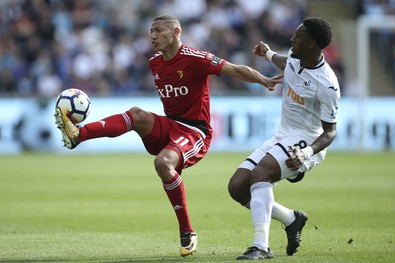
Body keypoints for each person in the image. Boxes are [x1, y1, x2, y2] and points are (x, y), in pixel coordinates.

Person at [54, 14, 282, 257]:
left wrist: (265, 80)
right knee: (136, 114)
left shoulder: (197, 58)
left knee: (162, 162)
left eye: (158, 30)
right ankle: (78, 135)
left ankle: (187, 232)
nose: (153, 36)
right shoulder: (155, 63)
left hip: (195, 133)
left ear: (176, 32)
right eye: (151, 31)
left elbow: (234, 69)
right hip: (171, 126)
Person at [228, 17, 340, 260]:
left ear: (311, 44)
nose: (292, 38)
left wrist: (306, 153)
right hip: (282, 135)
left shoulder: (327, 84)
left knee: (261, 173)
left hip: (307, 141)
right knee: (237, 187)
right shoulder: (295, 55)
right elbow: (285, 61)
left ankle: (261, 246)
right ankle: (292, 219)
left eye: (298, 36)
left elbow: (330, 131)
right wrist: (267, 53)